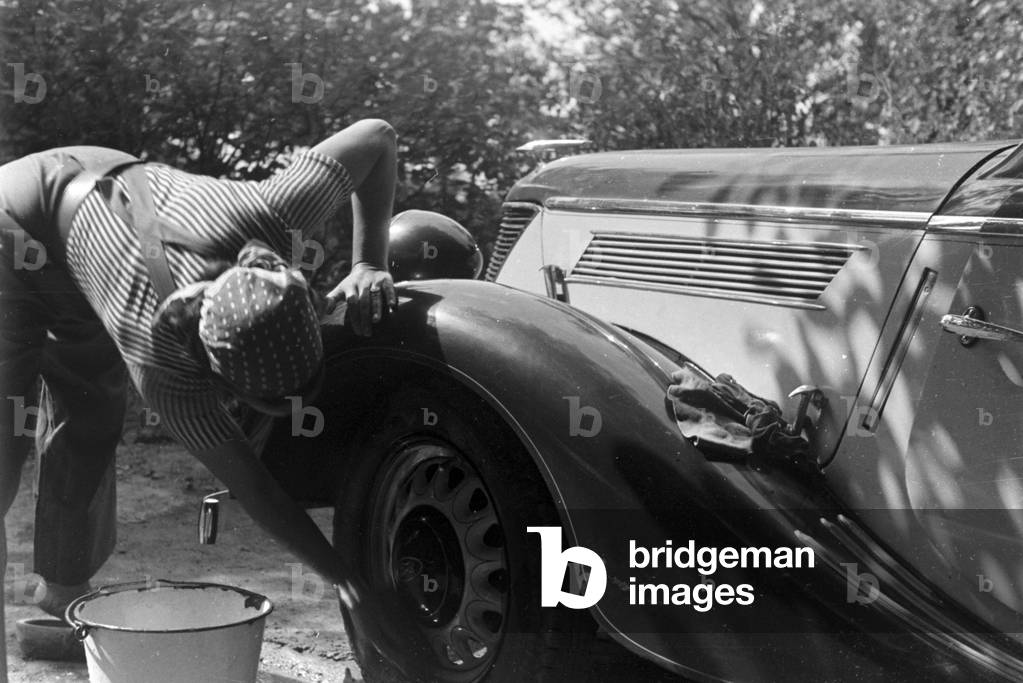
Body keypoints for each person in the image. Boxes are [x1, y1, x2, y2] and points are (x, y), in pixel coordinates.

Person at [0, 119, 405, 669]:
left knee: (92, 417)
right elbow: (251, 485)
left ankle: (63, 594)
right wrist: (345, 577)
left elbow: (376, 136)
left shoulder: (269, 213)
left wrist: (369, 263)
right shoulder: (163, 367)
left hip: (94, 219)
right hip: (11, 235)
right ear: (212, 373)